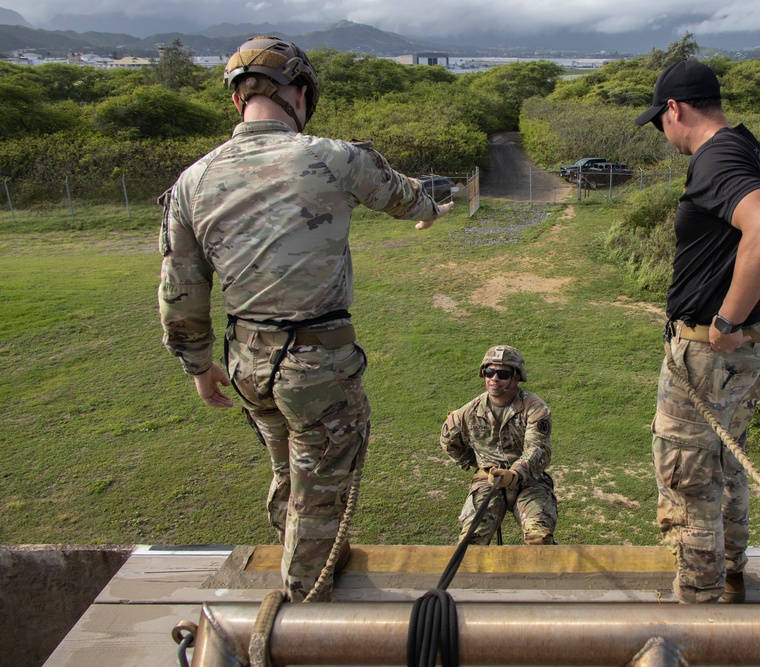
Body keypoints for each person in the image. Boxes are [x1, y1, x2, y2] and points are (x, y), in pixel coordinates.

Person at [157, 36, 453, 602]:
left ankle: (306, 563)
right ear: (299, 90)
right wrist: (430, 212)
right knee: (319, 496)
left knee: (288, 475)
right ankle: (303, 613)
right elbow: (403, 197)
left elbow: (181, 288)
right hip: (316, 367)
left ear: (238, 98)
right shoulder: (332, 156)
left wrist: (198, 367)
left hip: (247, 364)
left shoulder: (194, 179)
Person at [635, 59, 760, 603]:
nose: (663, 133)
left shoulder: (715, 156)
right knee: (728, 458)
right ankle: (733, 570)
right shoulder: (753, 149)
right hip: (745, 350)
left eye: (660, 121)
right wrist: (750, 290)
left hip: (709, 348)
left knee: (688, 473)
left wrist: (725, 320)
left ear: (676, 109)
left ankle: (698, 599)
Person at [439, 345, 557, 545]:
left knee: (539, 538)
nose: (494, 378)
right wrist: (477, 464)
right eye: (489, 372)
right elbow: (448, 440)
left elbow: (537, 449)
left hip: (529, 481)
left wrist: (515, 474)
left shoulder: (534, 408)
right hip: (488, 481)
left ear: (516, 377)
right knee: (470, 541)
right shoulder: (469, 412)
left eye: (502, 374)